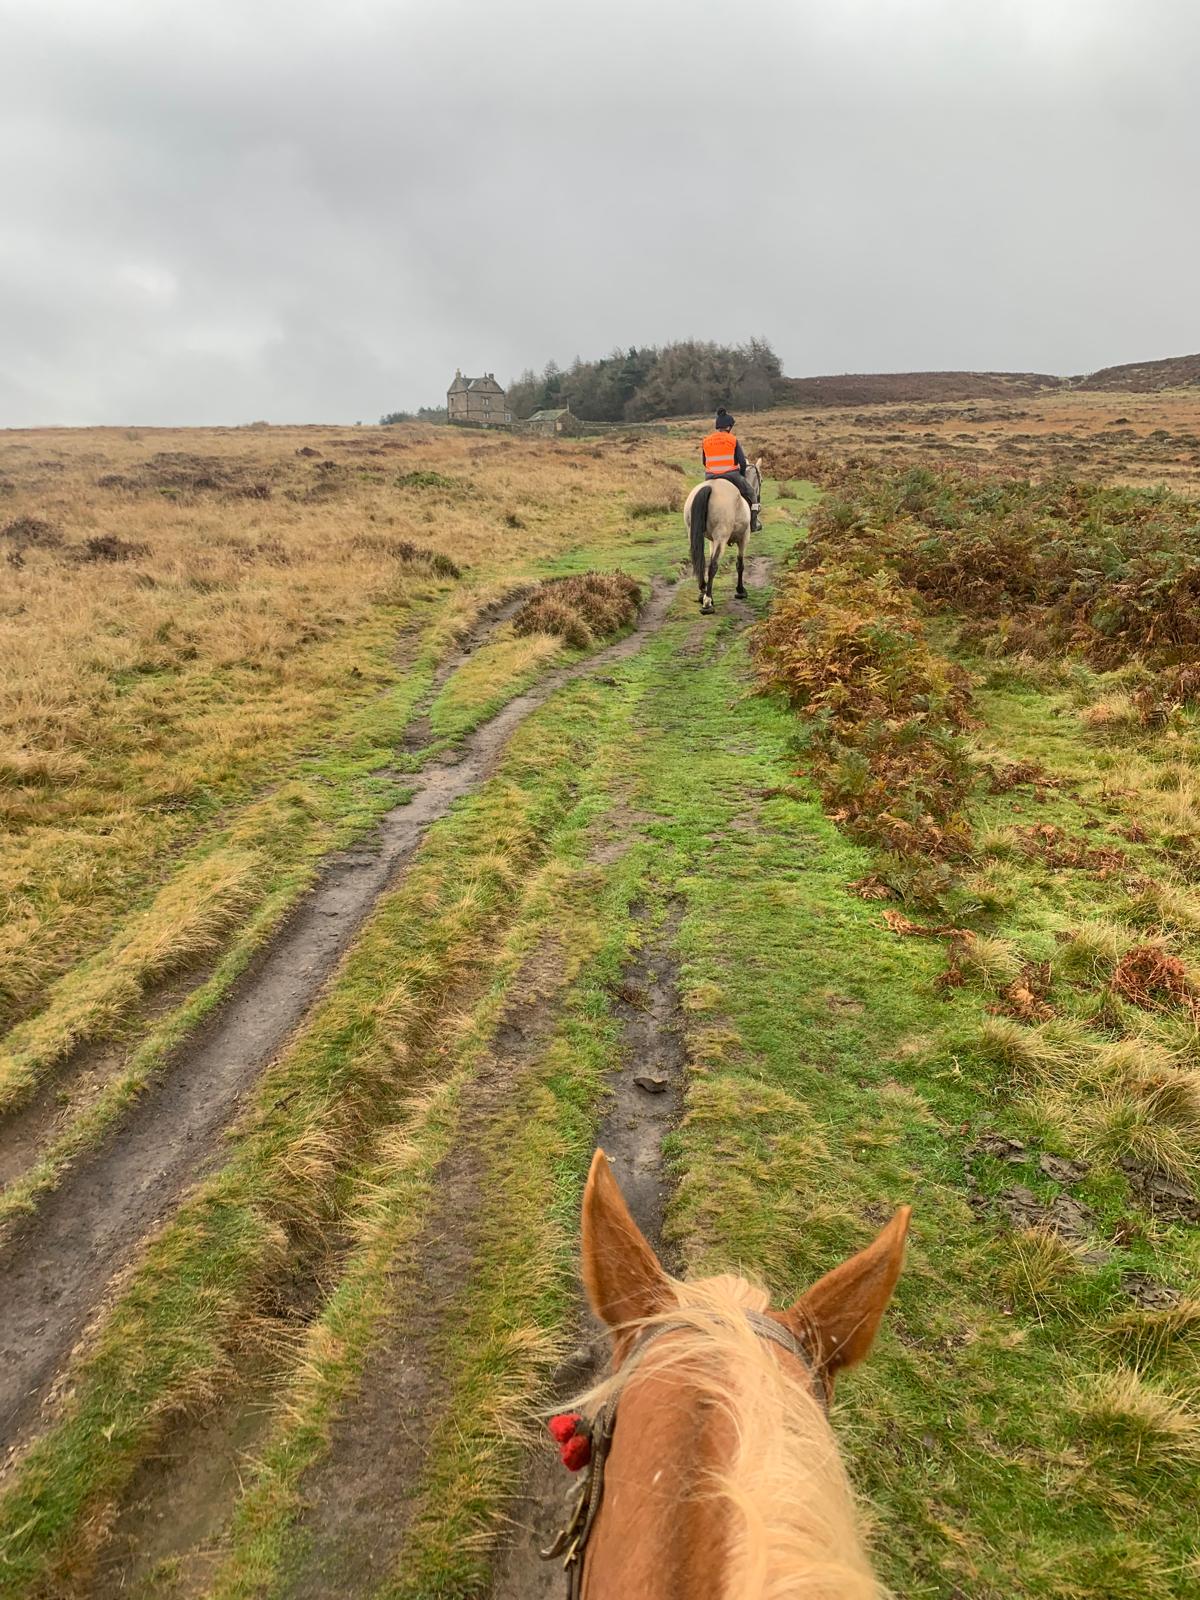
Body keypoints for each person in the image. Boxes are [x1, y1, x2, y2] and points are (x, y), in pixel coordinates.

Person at [701, 409, 760, 530]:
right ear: (729, 427)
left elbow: (704, 462)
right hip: (731, 475)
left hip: (710, 476)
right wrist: (742, 475)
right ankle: (753, 524)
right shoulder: (732, 439)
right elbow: (742, 462)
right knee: (751, 493)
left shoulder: (706, 441)